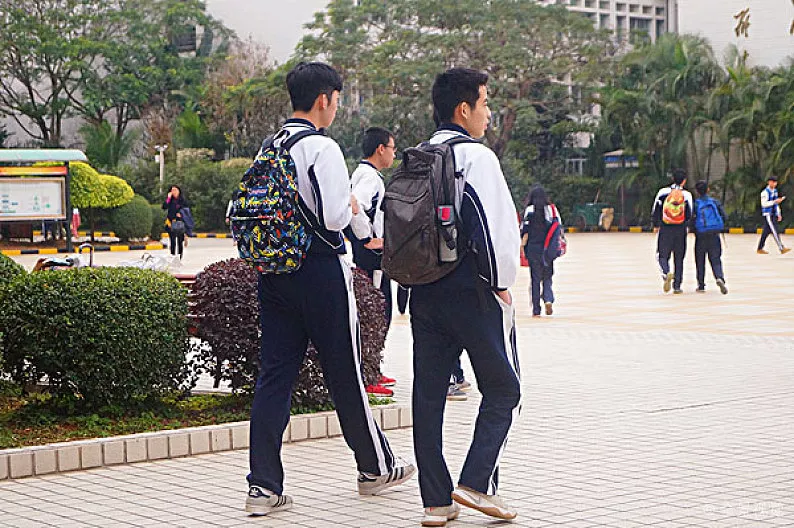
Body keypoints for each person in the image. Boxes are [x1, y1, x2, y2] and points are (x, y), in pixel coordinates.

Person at [245, 62, 414, 517]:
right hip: (320, 272)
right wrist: (353, 204)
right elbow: (336, 217)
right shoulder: (321, 147)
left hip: (274, 270)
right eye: (337, 100)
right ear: (324, 99)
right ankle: (375, 467)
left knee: (274, 376)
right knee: (344, 373)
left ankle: (263, 486)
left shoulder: (270, 145)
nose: (336, 107)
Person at [411, 68, 521, 527]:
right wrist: (501, 284)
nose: (488, 113)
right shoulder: (477, 158)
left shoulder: (418, 156)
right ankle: (476, 482)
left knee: (428, 396)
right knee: (504, 389)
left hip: (423, 291)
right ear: (464, 109)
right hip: (471, 289)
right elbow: (496, 229)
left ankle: (436, 502)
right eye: (485, 103)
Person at [347, 127, 398, 395]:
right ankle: (368, 375)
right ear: (380, 149)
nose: (394, 154)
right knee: (378, 312)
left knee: (375, 311)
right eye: (392, 149)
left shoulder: (364, 173)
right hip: (372, 258)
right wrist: (367, 238)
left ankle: (372, 369)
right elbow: (354, 205)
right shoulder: (369, 178)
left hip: (370, 256)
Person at [651, 169, 693, 294]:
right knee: (679, 258)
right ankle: (677, 286)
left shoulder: (663, 192)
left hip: (666, 228)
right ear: (684, 181)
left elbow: (656, 209)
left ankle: (666, 272)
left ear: (673, 179)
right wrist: (687, 226)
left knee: (662, 255)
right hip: (680, 229)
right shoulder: (686, 195)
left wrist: (656, 224)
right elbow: (690, 213)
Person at [520, 185, 560, 316]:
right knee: (547, 276)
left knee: (535, 279)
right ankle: (548, 299)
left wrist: (522, 247)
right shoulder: (551, 210)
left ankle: (536, 309)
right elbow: (558, 228)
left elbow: (525, 231)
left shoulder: (529, 210)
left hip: (533, 249)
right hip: (548, 249)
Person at [692, 180, 728, 294]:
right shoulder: (714, 202)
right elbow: (725, 216)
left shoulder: (695, 204)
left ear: (697, 191)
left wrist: (694, 229)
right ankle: (719, 277)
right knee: (716, 258)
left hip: (701, 235)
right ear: (708, 189)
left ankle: (701, 285)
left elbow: (691, 219)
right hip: (714, 233)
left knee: (700, 260)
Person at [757, 174, 790, 254]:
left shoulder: (775, 191)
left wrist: (778, 213)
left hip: (774, 213)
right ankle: (781, 248)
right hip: (768, 214)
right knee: (774, 230)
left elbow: (776, 204)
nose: (774, 184)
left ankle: (760, 248)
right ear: (769, 182)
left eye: (775, 182)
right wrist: (774, 201)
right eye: (773, 182)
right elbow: (764, 204)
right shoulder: (764, 192)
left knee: (766, 231)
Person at [162, 185, 188, 259]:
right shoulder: (170, 200)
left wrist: (181, 213)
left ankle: (179, 258)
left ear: (179, 191)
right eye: (172, 190)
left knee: (180, 242)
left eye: (175, 190)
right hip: (171, 223)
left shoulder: (182, 200)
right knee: (172, 241)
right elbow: (164, 207)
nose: (174, 192)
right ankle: (172, 257)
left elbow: (187, 210)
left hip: (180, 223)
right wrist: (168, 198)